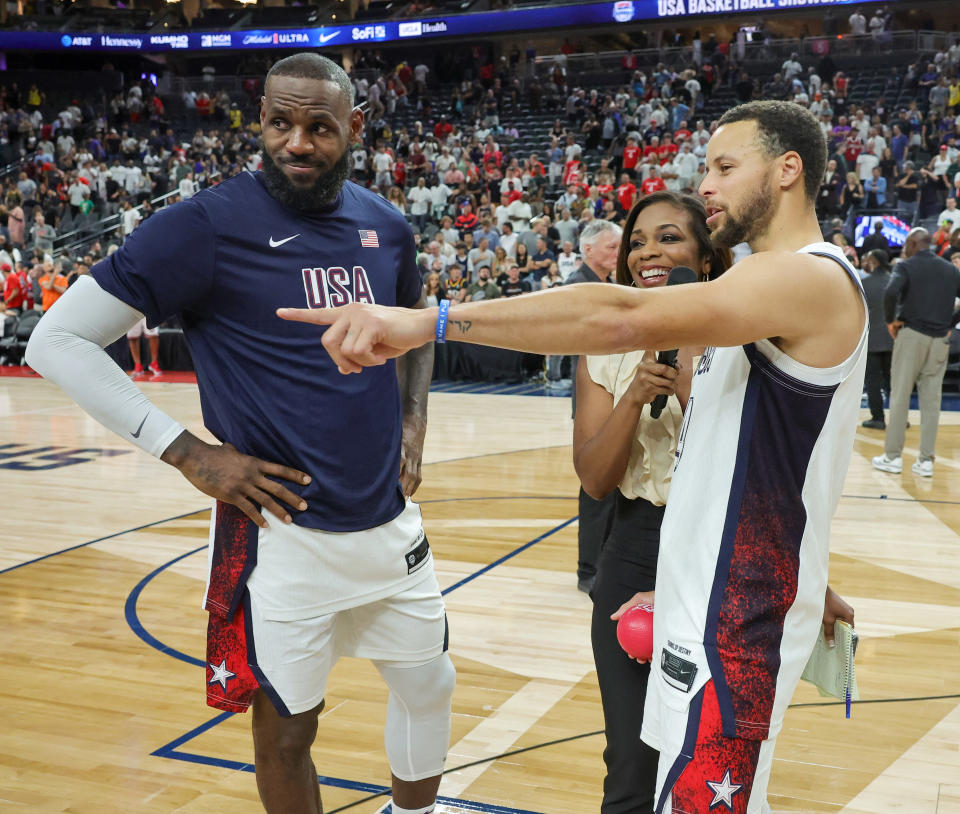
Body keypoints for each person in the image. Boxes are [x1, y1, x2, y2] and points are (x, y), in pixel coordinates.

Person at [282, 100, 868, 812]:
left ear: (786, 170)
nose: (706, 185)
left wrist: (426, 321)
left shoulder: (807, 276)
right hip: (709, 605)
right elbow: (753, 467)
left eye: (723, 166)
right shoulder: (757, 297)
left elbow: (619, 316)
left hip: (736, 630)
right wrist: (713, 574)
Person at [27, 53, 454, 814]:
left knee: (431, 685)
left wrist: (415, 420)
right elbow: (55, 341)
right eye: (280, 122)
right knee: (289, 730)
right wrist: (190, 454)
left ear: (352, 129)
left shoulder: (385, 228)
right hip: (284, 532)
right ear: (259, 122)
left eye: (319, 127)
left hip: (390, 525)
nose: (296, 142)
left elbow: (416, 329)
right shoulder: (204, 226)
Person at [564, 219, 623, 594]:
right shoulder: (576, 287)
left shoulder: (611, 285)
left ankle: (604, 562)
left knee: (613, 482)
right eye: (611, 248)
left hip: (614, 392)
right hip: (593, 395)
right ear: (587, 250)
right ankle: (589, 569)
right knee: (595, 485)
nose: (618, 254)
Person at [873, 227, 960, 477]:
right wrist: (950, 324)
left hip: (912, 337)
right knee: (932, 403)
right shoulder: (950, 269)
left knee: (900, 396)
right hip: (939, 342)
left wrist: (891, 320)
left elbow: (890, 292)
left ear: (912, 243)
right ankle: (925, 461)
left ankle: (892, 457)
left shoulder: (906, 266)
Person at [859, 249, 894, 430]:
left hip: (872, 339)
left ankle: (878, 418)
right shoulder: (895, 281)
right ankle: (899, 419)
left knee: (873, 380)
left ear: (874, 262)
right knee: (893, 381)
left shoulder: (864, 283)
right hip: (893, 339)